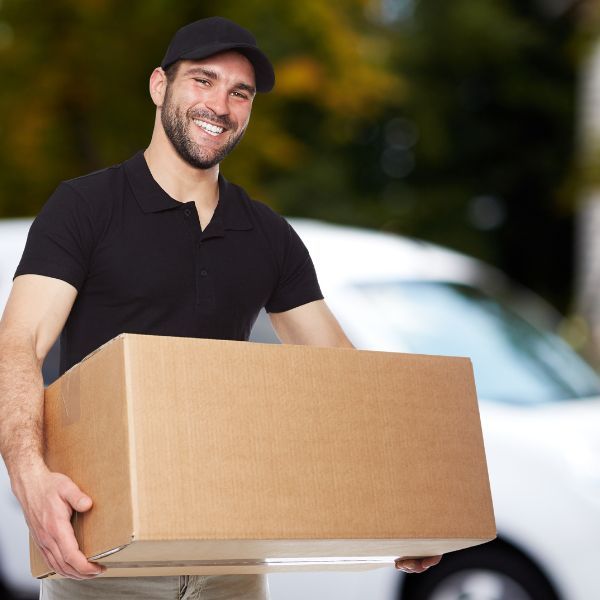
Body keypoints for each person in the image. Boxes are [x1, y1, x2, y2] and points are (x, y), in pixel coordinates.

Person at [0, 16, 442, 600]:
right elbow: (18, 343)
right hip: (104, 552)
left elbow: (343, 373)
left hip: (231, 550)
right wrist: (29, 478)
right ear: (160, 87)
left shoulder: (268, 235)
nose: (222, 105)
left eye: (240, 92)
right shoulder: (84, 207)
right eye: (203, 81)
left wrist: (405, 503)